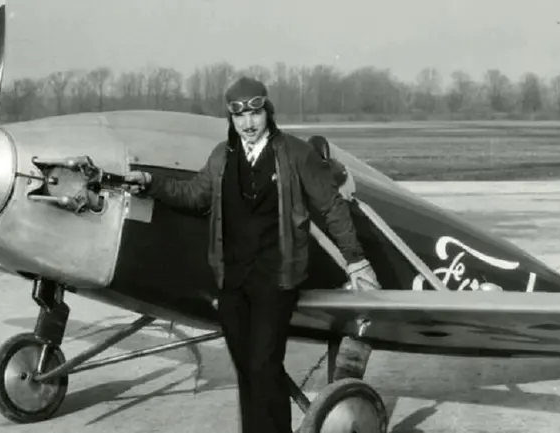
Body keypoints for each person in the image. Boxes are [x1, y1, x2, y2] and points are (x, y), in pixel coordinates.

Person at [123, 76, 380, 433]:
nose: (248, 124)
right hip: (232, 278)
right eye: (239, 116)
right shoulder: (222, 157)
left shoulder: (294, 153)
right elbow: (195, 195)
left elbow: (331, 206)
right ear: (231, 118)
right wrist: (152, 184)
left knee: (264, 363)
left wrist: (356, 259)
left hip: (277, 277)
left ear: (266, 112)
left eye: (255, 114)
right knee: (247, 368)